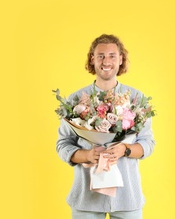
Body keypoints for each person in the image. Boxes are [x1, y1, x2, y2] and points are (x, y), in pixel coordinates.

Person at [56, 34, 155, 219]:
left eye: (112, 55)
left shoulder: (137, 99)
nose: (106, 61)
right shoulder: (75, 100)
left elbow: (148, 144)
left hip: (127, 197)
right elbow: (62, 145)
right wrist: (86, 155)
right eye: (100, 55)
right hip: (86, 198)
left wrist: (124, 150)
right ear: (92, 59)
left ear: (121, 59)